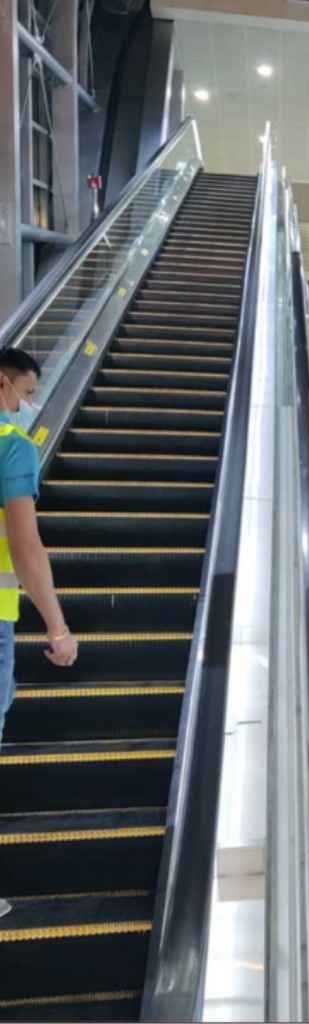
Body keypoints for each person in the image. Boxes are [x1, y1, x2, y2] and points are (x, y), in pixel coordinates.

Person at [0, 349, 78, 919]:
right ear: (3, 384)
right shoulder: (10, 445)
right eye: (25, 394)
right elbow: (26, 547)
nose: (28, 407)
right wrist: (57, 624)